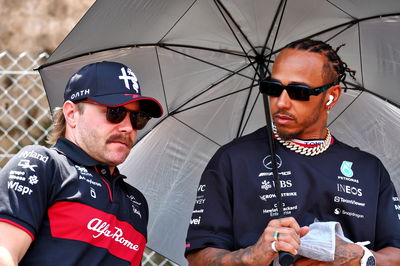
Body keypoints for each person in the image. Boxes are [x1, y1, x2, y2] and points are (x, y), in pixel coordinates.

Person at [185, 39, 400, 265]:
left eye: (299, 91)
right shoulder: (233, 159)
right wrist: (251, 256)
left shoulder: (369, 169)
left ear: (332, 96)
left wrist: (360, 257)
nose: (281, 102)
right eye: (273, 88)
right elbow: (198, 256)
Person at [0, 61, 163, 265]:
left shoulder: (137, 203)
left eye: (138, 118)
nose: (127, 127)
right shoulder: (42, 165)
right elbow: (4, 254)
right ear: (72, 114)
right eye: (115, 112)